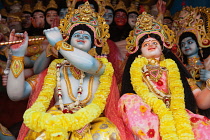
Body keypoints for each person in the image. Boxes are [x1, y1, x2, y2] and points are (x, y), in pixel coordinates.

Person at [7, 2, 127, 140]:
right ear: (68, 40)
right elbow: (16, 94)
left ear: (95, 44)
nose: (81, 36)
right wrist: (18, 54)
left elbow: (88, 64)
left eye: (86, 36)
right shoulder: (54, 70)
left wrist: (59, 43)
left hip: (92, 123)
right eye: (77, 34)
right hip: (54, 123)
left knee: (107, 134)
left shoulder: (100, 67)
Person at [119, 12, 210, 140]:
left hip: (178, 117)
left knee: (204, 129)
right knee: (127, 99)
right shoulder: (136, 71)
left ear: (162, 47)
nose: (151, 44)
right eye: (146, 44)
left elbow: (201, 101)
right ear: (139, 50)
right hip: (149, 116)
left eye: (154, 43)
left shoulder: (175, 71)